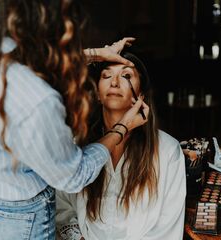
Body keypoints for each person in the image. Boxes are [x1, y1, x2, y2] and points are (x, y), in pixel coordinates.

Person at [0, 0, 148, 239]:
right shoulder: (38, 101)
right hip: (15, 224)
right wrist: (121, 129)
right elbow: (74, 176)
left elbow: (30, 62)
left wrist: (96, 55)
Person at [56, 48, 186, 240]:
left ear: (140, 94)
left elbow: (167, 228)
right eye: (106, 76)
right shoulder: (76, 145)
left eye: (126, 76)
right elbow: (61, 205)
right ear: (98, 94)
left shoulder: (168, 151)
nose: (115, 82)